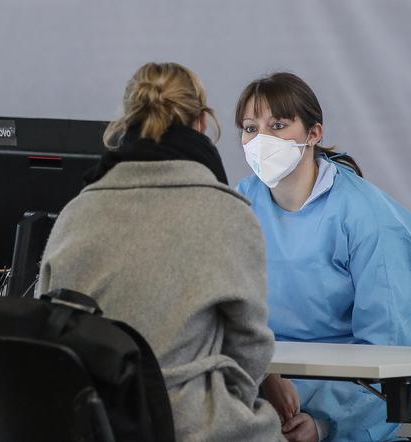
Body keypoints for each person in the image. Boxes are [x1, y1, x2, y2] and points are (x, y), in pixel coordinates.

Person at [38, 62, 284, 441]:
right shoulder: (228, 213)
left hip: (94, 425)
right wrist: (223, 405)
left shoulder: (75, 212)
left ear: (125, 121)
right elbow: (251, 344)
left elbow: (48, 327)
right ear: (203, 123)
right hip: (193, 425)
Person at [235, 72, 411, 442]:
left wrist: (325, 423)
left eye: (278, 125)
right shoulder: (241, 204)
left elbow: (390, 351)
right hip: (256, 392)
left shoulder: (367, 218)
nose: (261, 140)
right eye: (250, 128)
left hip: (345, 402)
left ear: (314, 133)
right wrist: (264, 376)